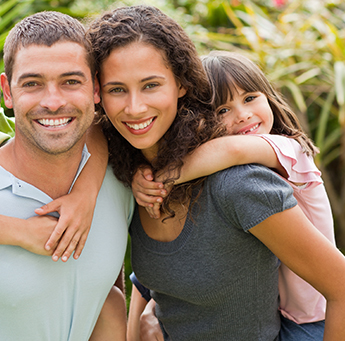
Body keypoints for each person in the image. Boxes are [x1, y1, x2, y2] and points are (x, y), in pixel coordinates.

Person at [85, 5, 345, 340]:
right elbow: (147, 284)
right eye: (116, 89)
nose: (134, 107)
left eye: (150, 85)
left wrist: (165, 174)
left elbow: (339, 285)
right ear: (97, 94)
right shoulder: (128, 178)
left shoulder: (239, 184)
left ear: (181, 84)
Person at [131, 51, 335, 339]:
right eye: (223, 110)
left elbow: (233, 149)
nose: (243, 115)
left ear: (269, 97)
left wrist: (158, 178)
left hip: (313, 319)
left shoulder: (290, 149)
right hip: (279, 311)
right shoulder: (224, 179)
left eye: (250, 97)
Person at [0, 11, 133, 340]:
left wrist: (151, 313)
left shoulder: (121, 181)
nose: (53, 101)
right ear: (7, 91)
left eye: (71, 81)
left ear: (96, 88)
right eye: (32, 83)